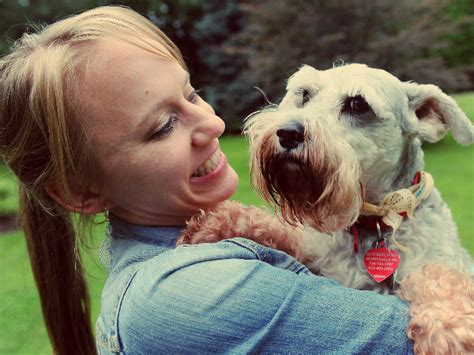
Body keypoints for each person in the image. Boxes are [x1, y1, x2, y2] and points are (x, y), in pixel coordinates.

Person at [0, 6, 414, 355]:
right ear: (80, 190)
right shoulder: (192, 296)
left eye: (192, 94)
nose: (214, 124)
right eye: (164, 126)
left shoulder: (185, 260)